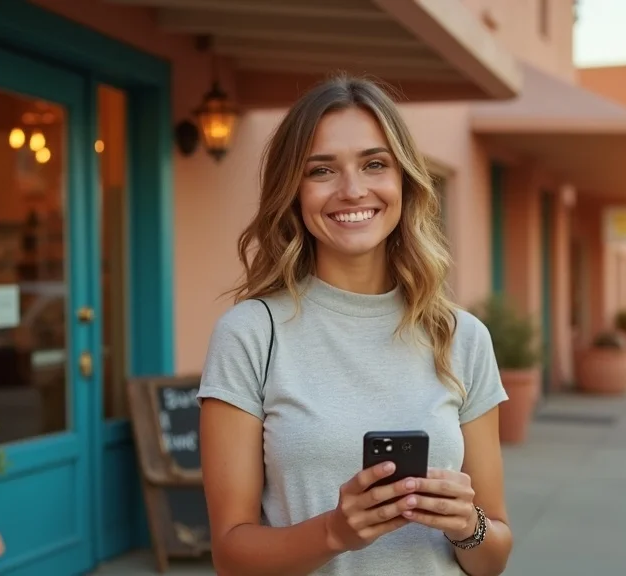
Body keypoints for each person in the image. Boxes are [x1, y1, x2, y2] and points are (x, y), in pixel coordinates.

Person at [196, 75, 513, 576]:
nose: (352, 190)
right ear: (293, 191)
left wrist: (466, 525)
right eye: (321, 170)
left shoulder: (462, 336)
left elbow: (492, 556)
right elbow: (231, 556)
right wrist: (334, 533)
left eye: (374, 164)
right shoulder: (250, 335)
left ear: (404, 181)